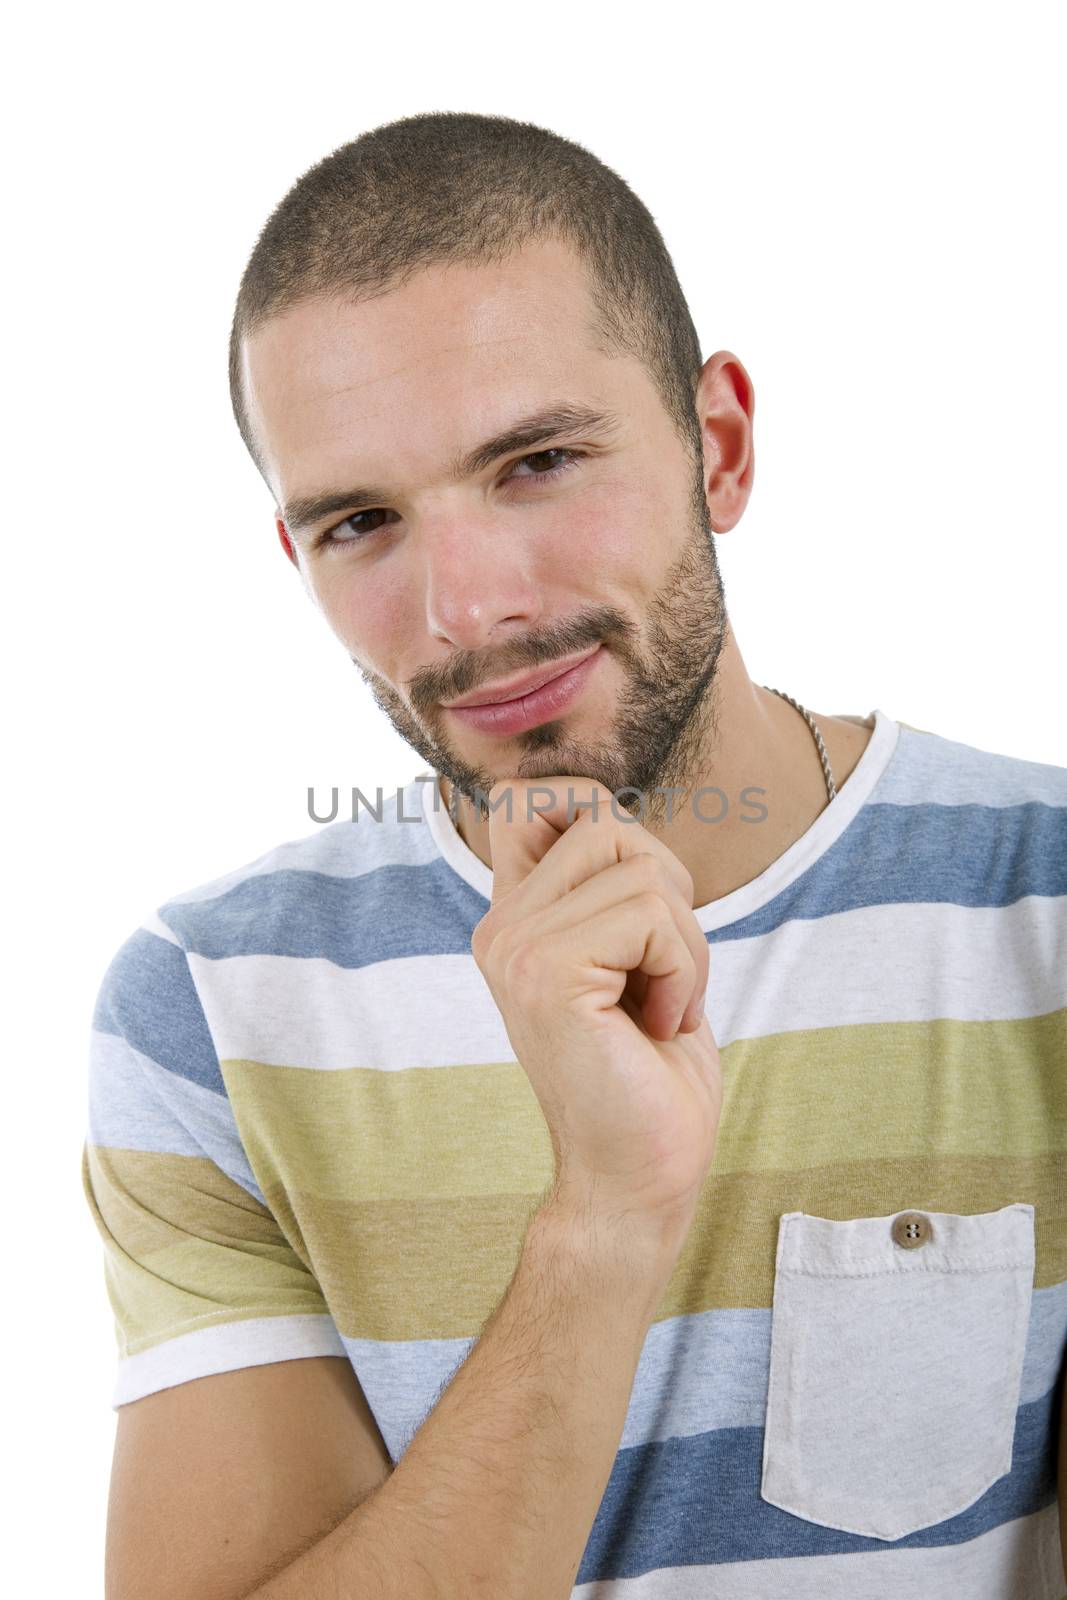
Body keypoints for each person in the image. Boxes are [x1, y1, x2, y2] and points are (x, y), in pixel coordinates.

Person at [82, 110, 1067, 1599]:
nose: (464, 606)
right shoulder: (216, 1006)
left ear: (718, 447)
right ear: (299, 559)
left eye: (538, 460)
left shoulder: (1045, 909)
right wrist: (606, 1222)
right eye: (362, 522)